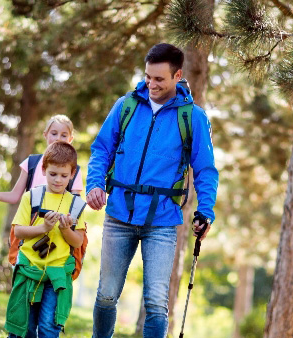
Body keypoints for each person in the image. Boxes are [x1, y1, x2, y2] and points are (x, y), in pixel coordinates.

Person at [86, 43, 219, 337]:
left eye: (159, 79)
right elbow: (101, 149)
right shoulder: (126, 106)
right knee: (106, 294)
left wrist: (205, 211)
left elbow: (206, 170)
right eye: (148, 77)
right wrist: (94, 184)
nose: (152, 84)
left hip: (161, 221)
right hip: (119, 213)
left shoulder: (193, 117)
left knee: (157, 303)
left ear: (177, 75)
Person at [4, 141, 86, 338]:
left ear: (72, 174)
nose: (58, 180)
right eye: (53, 174)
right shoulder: (31, 197)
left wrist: (66, 230)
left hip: (57, 275)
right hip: (30, 269)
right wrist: (44, 228)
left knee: (49, 327)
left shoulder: (76, 205)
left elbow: (77, 242)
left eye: (64, 176)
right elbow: (18, 232)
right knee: (25, 326)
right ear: (43, 169)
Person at [0, 114, 83, 203]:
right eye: (54, 134)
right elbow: (14, 196)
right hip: (31, 220)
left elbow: (75, 204)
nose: (58, 138)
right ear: (45, 135)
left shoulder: (75, 169)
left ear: (70, 139)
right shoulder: (31, 163)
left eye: (64, 135)